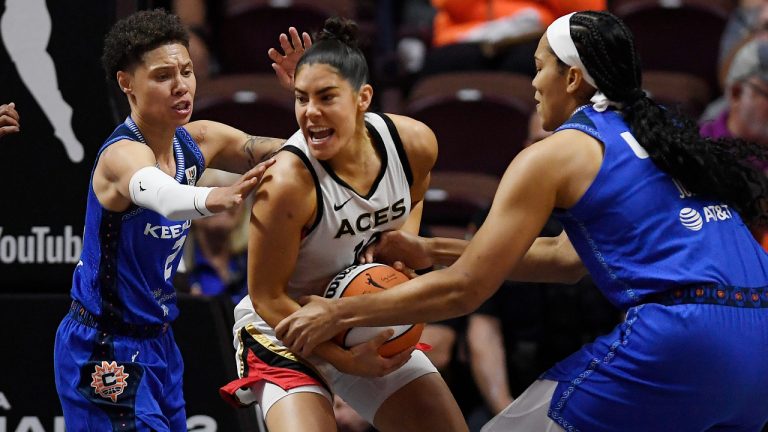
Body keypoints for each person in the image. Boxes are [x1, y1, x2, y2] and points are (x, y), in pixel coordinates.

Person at [276, 10, 768, 432]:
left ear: (572, 78)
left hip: (683, 337)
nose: (532, 84)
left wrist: (338, 314)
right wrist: (433, 250)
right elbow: (567, 258)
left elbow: (464, 292)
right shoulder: (663, 141)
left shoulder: (558, 151)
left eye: (539, 69)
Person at [218, 17, 467, 432]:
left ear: (363, 97)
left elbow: (414, 196)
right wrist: (344, 360)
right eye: (301, 98)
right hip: (286, 327)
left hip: (361, 313)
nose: (310, 112)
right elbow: (266, 296)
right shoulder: (285, 184)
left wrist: (402, 244)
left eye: (326, 96)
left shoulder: (414, 143)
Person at [52, 9, 297, 431]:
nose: (181, 85)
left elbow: (295, 156)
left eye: (186, 71)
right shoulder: (121, 155)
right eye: (163, 76)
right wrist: (213, 197)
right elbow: (160, 194)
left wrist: (307, 96)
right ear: (126, 83)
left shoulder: (199, 139)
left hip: (160, 343)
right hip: (103, 344)